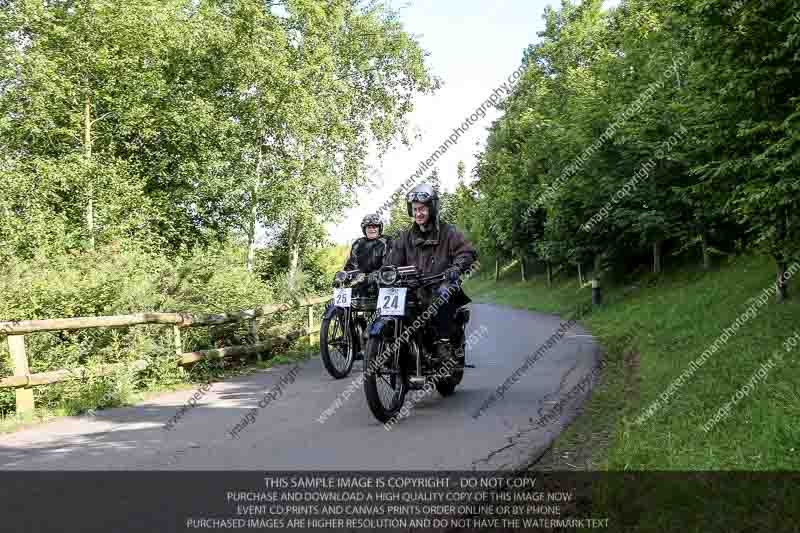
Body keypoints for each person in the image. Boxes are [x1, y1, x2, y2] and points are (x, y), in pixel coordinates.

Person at [384, 182, 478, 361]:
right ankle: (390, 343)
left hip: (440, 283)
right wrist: (383, 273)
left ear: (432, 208)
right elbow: (392, 261)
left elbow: (466, 252)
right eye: (415, 209)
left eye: (422, 209)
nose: (418, 213)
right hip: (413, 288)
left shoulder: (448, 232)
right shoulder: (406, 237)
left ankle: (443, 343)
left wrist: (456, 268)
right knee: (391, 297)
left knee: (443, 292)